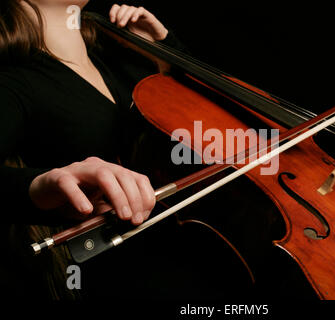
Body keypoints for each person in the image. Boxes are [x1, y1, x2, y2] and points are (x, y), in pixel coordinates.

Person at [0, 0, 212, 300]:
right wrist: (41, 184)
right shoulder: (12, 82)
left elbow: (203, 123)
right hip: (107, 274)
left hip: (176, 251)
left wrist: (165, 51)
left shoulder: (112, 62)